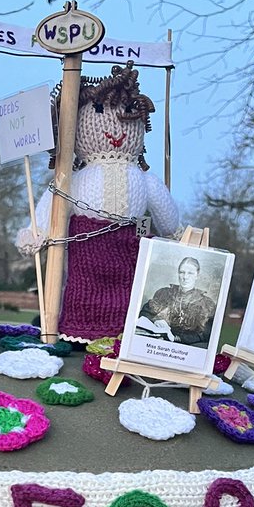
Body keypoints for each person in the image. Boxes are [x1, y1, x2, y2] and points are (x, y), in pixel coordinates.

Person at [16, 62, 180, 342]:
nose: (115, 130)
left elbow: (165, 214)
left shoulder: (142, 177)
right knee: (83, 291)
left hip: (129, 247)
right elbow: (54, 200)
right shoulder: (73, 179)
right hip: (86, 249)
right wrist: (38, 232)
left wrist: (174, 234)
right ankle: (80, 329)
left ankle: (125, 333)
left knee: (129, 295)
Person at [138, 256, 217, 345]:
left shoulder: (206, 304)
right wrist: (155, 320)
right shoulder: (163, 294)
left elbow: (205, 335)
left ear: (197, 276)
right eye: (182, 272)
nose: (185, 277)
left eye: (190, 273)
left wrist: (176, 338)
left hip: (185, 350)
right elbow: (144, 313)